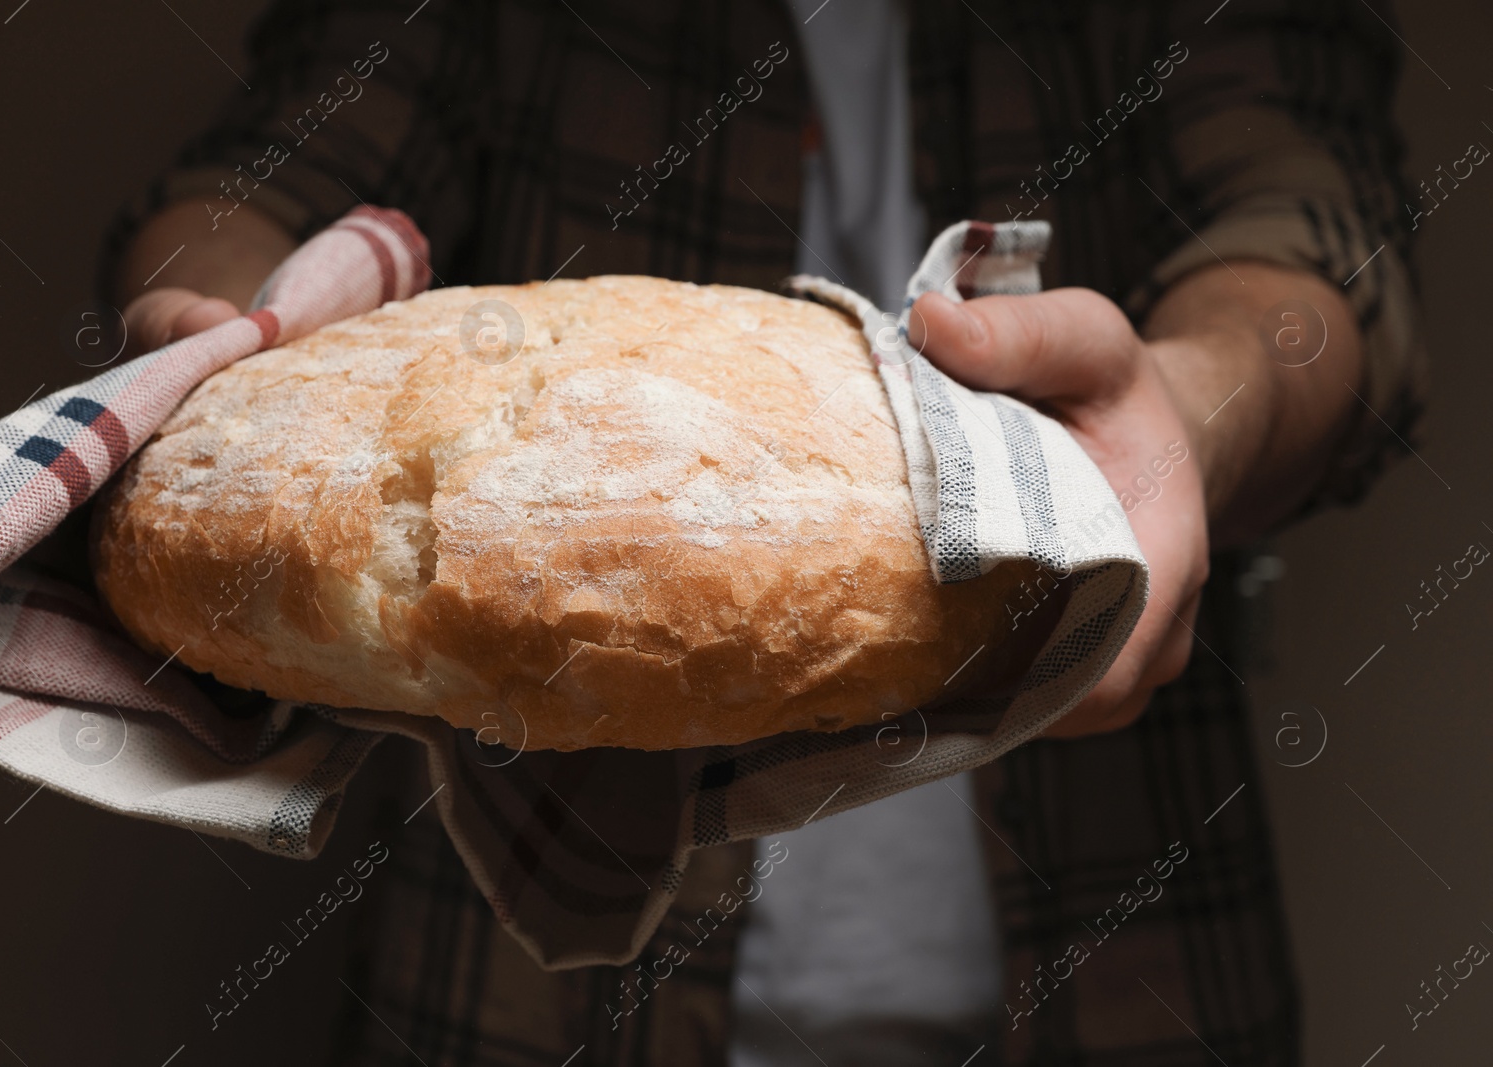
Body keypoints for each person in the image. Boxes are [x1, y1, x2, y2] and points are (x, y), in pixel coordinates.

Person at [103, 0, 1423, 1063]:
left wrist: (1188, 409)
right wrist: (224, 333)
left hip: (1122, 966)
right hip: (523, 1005)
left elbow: (1316, 232)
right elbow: (267, 174)